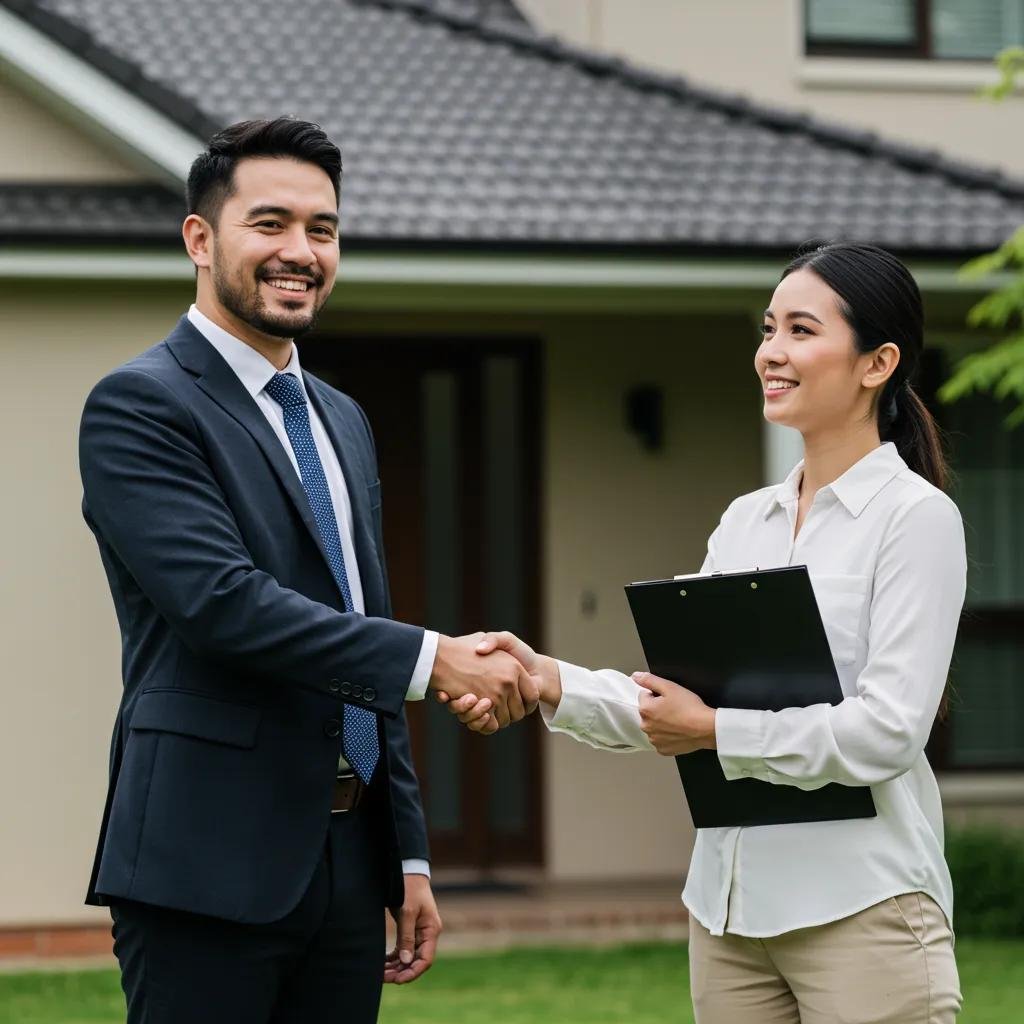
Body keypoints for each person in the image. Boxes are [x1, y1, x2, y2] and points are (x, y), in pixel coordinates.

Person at [79, 117, 537, 1024]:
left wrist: (405, 852)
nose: (302, 252)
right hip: (204, 860)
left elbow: (365, 621)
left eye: (322, 230)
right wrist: (439, 660)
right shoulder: (140, 405)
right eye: (272, 224)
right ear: (200, 240)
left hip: (345, 863)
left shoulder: (341, 417)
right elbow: (224, 605)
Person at [443, 242, 966, 1023]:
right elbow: (674, 704)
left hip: (866, 910)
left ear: (877, 362)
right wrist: (547, 677)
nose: (771, 353)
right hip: (727, 916)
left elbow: (887, 732)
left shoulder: (916, 519)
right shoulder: (744, 522)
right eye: (767, 329)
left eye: (800, 330)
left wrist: (717, 730)